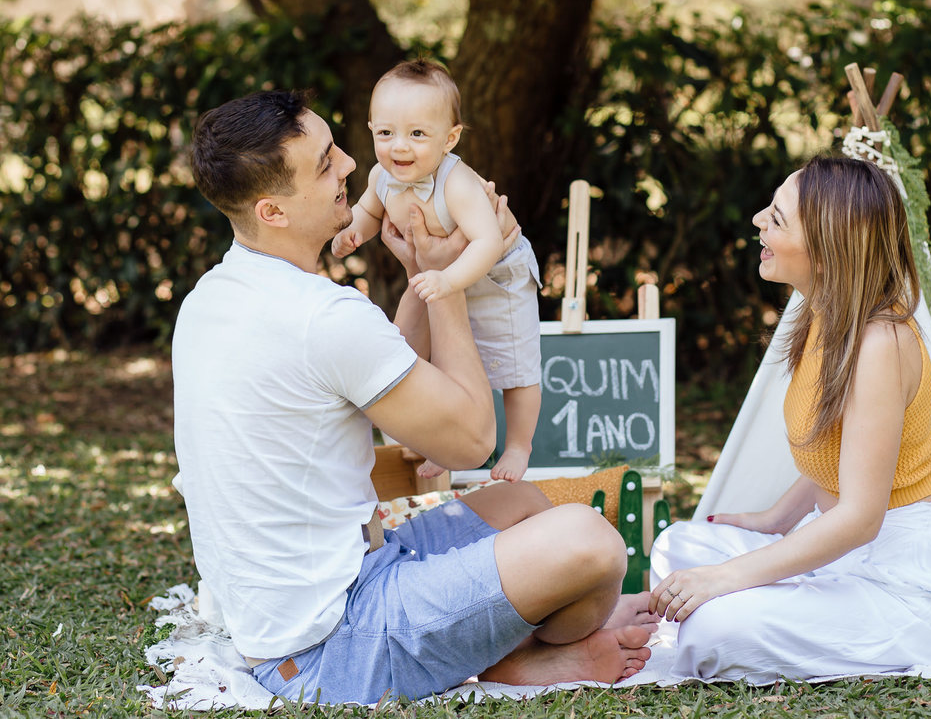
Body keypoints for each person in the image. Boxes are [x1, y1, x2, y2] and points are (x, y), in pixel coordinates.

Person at [173, 90, 654, 704]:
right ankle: (518, 661)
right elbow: (476, 439)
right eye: (325, 163)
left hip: (344, 576)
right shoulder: (322, 316)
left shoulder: (214, 295)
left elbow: (379, 373)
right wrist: (452, 280)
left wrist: (423, 271)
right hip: (331, 645)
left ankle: (493, 648)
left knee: (521, 500)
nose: (351, 164)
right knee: (590, 541)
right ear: (273, 210)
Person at [648, 156, 931, 682]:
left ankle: (751, 609)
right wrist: (774, 522)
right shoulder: (822, 315)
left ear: (827, 254)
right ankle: (768, 597)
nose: (759, 219)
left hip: (902, 580)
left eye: (777, 219)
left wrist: (727, 577)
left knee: (714, 629)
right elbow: (841, 449)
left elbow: (860, 518)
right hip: (838, 552)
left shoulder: (880, 342)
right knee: (679, 547)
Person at [331, 60, 541, 483]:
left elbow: (486, 241)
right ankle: (447, 444)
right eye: (386, 133)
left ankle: (519, 444)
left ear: (450, 139)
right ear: (371, 128)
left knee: (515, 362)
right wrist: (352, 232)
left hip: (498, 274)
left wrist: (448, 280)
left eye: (417, 134)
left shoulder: (457, 183)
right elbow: (368, 211)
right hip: (444, 274)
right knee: (447, 363)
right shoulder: (381, 176)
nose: (399, 147)